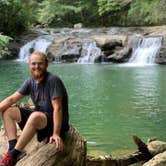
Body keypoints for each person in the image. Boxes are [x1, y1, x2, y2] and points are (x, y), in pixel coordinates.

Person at [0, 51, 69, 166]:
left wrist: (56, 133)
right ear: (29, 64)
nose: (36, 67)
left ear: (46, 64)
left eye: (40, 64)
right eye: (33, 64)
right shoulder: (30, 81)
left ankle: (13, 155)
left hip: (54, 122)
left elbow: (58, 109)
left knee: (35, 115)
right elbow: (12, 99)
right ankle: (13, 148)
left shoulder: (53, 80)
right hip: (40, 117)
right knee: (8, 111)